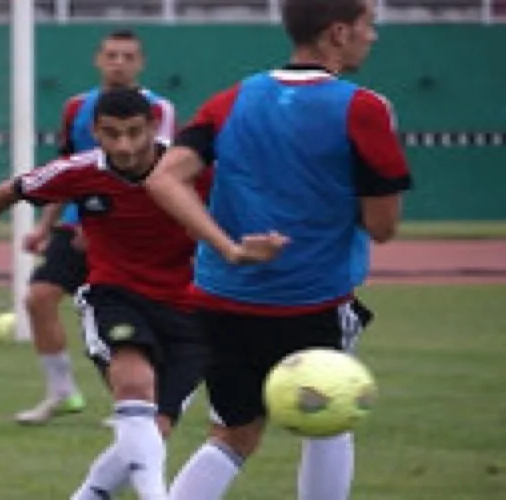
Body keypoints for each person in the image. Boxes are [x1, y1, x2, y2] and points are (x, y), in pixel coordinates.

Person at [0, 89, 284, 499]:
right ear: (95, 133)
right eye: (111, 134)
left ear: (154, 128)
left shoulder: (191, 172)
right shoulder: (81, 170)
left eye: (134, 133)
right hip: (115, 297)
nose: (124, 145)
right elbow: (12, 190)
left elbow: (244, 209)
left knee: (150, 432)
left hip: (190, 312)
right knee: (134, 384)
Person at [144, 0, 413, 498]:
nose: (372, 37)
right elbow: (382, 226)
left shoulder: (231, 100)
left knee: (232, 436)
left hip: (219, 301)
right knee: (331, 421)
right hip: (311, 301)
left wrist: (228, 246)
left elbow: (164, 180)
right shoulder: (365, 108)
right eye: (367, 26)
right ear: (337, 32)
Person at [15, 28, 176, 425]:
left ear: (141, 63)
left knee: (128, 316)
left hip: (131, 231)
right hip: (77, 223)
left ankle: (136, 402)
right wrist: (44, 226)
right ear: (98, 60)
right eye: (111, 55)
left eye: (127, 56)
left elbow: (165, 177)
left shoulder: (160, 111)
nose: (118, 63)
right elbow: (63, 174)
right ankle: (62, 392)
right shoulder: (76, 108)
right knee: (38, 298)